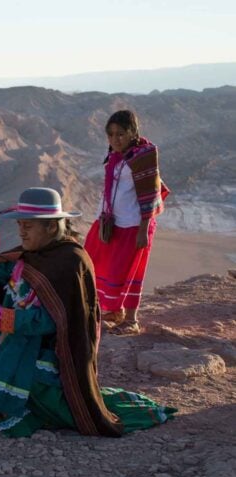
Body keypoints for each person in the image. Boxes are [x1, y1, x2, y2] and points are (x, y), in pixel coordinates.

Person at [0, 187, 176, 438]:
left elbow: (51, 321)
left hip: (47, 357)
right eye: (20, 225)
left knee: (14, 412)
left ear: (51, 228)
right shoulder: (29, 257)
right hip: (18, 347)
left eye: (28, 226)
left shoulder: (69, 263)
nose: (22, 232)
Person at [84, 110, 170, 336]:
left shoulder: (143, 156)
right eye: (110, 134)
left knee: (129, 271)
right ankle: (114, 310)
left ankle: (131, 320)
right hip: (111, 222)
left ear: (133, 132)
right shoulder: (116, 156)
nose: (115, 139)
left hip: (133, 225)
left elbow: (150, 194)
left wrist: (144, 229)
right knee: (94, 262)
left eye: (121, 134)